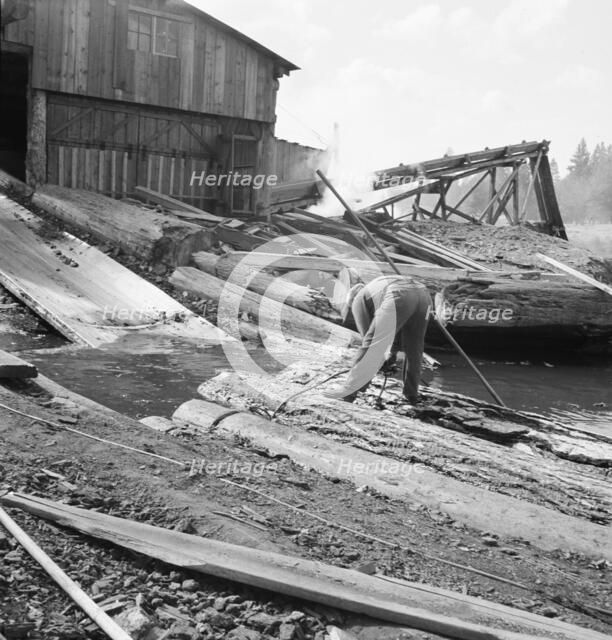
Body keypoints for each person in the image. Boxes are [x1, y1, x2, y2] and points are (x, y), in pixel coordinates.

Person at [324, 274, 432, 403]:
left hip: (399, 294)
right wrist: (390, 355)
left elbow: (370, 341)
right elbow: (398, 330)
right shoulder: (376, 291)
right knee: (414, 348)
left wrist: (383, 359)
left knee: (372, 343)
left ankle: (349, 391)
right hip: (424, 295)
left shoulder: (358, 299)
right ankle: (411, 395)